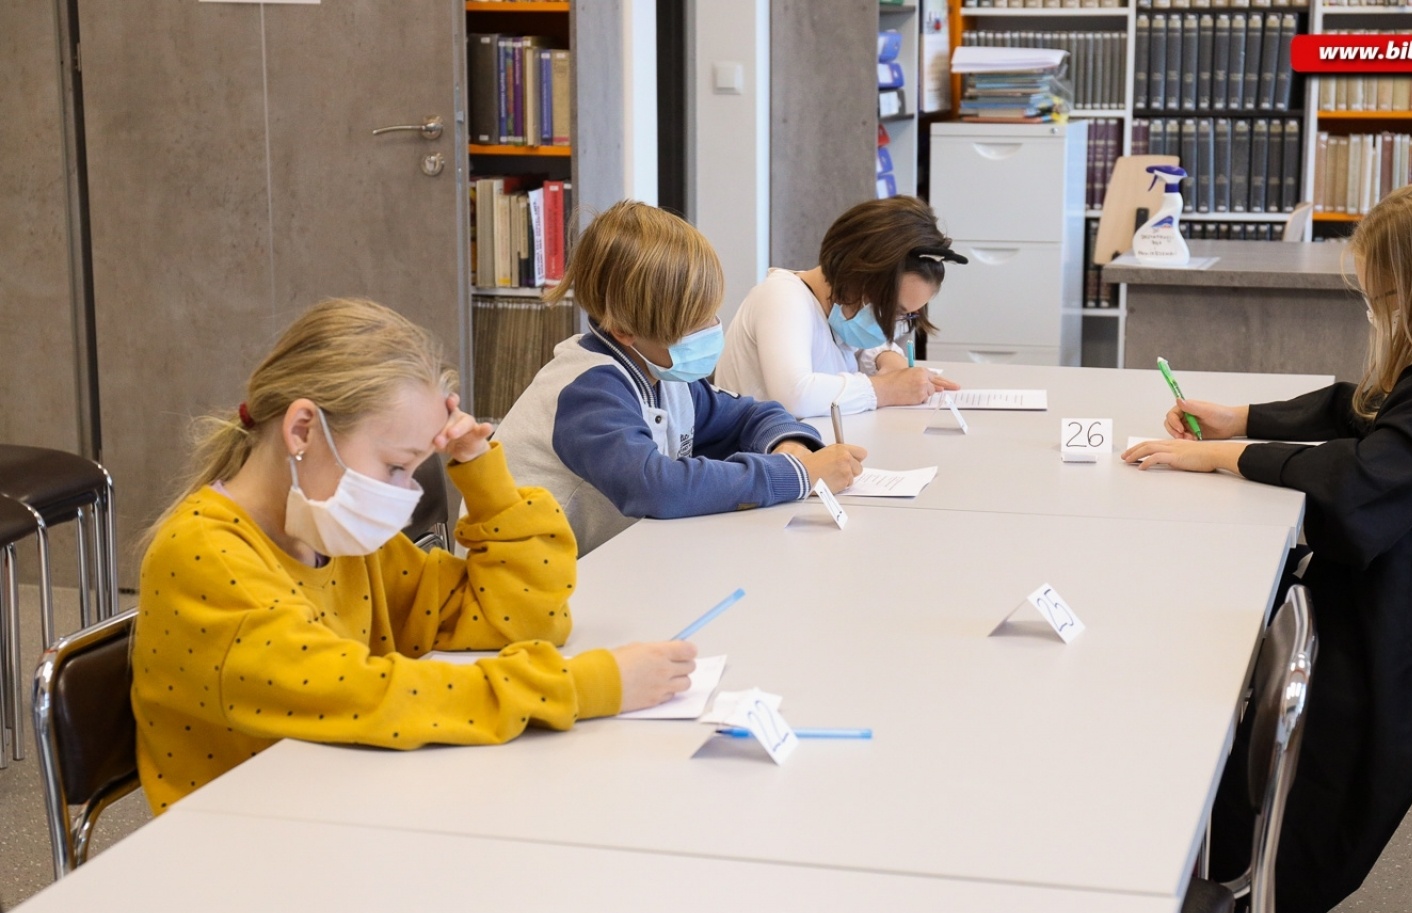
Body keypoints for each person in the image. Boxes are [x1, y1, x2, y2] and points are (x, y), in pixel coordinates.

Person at [1122, 184, 1412, 913]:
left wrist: (1225, 455)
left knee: (1208, 638)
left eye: (1379, 295)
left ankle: (1198, 872)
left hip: (1403, 641)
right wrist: (1245, 418)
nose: (1375, 310)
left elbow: (1357, 491)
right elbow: (1375, 411)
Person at [133, 298, 696, 813]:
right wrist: (586, 686)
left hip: (342, 807)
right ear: (302, 429)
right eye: (396, 466)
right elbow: (372, 694)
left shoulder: (336, 538)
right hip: (242, 843)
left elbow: (521, 618)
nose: (405, 492)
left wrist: (480, 466)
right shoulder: (205, 559)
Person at [494, 200, 866, 555]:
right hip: (520, 578)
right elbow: (657, 487)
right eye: (693, 323)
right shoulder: (588, 392)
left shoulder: (665, 376)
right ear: (624, 329)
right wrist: (795, 474)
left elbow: (752, 415)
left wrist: (788, 445)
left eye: (711, 313)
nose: (713, 328)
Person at [714, 195, 966, 418]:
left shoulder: (839, 311)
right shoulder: (781, 297)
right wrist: (888, 388)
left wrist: (888, 360)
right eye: (892, 310)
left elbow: (858, 347)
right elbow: (795, 395)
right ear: (857, 275)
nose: (891, 324)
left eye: (906, 315)